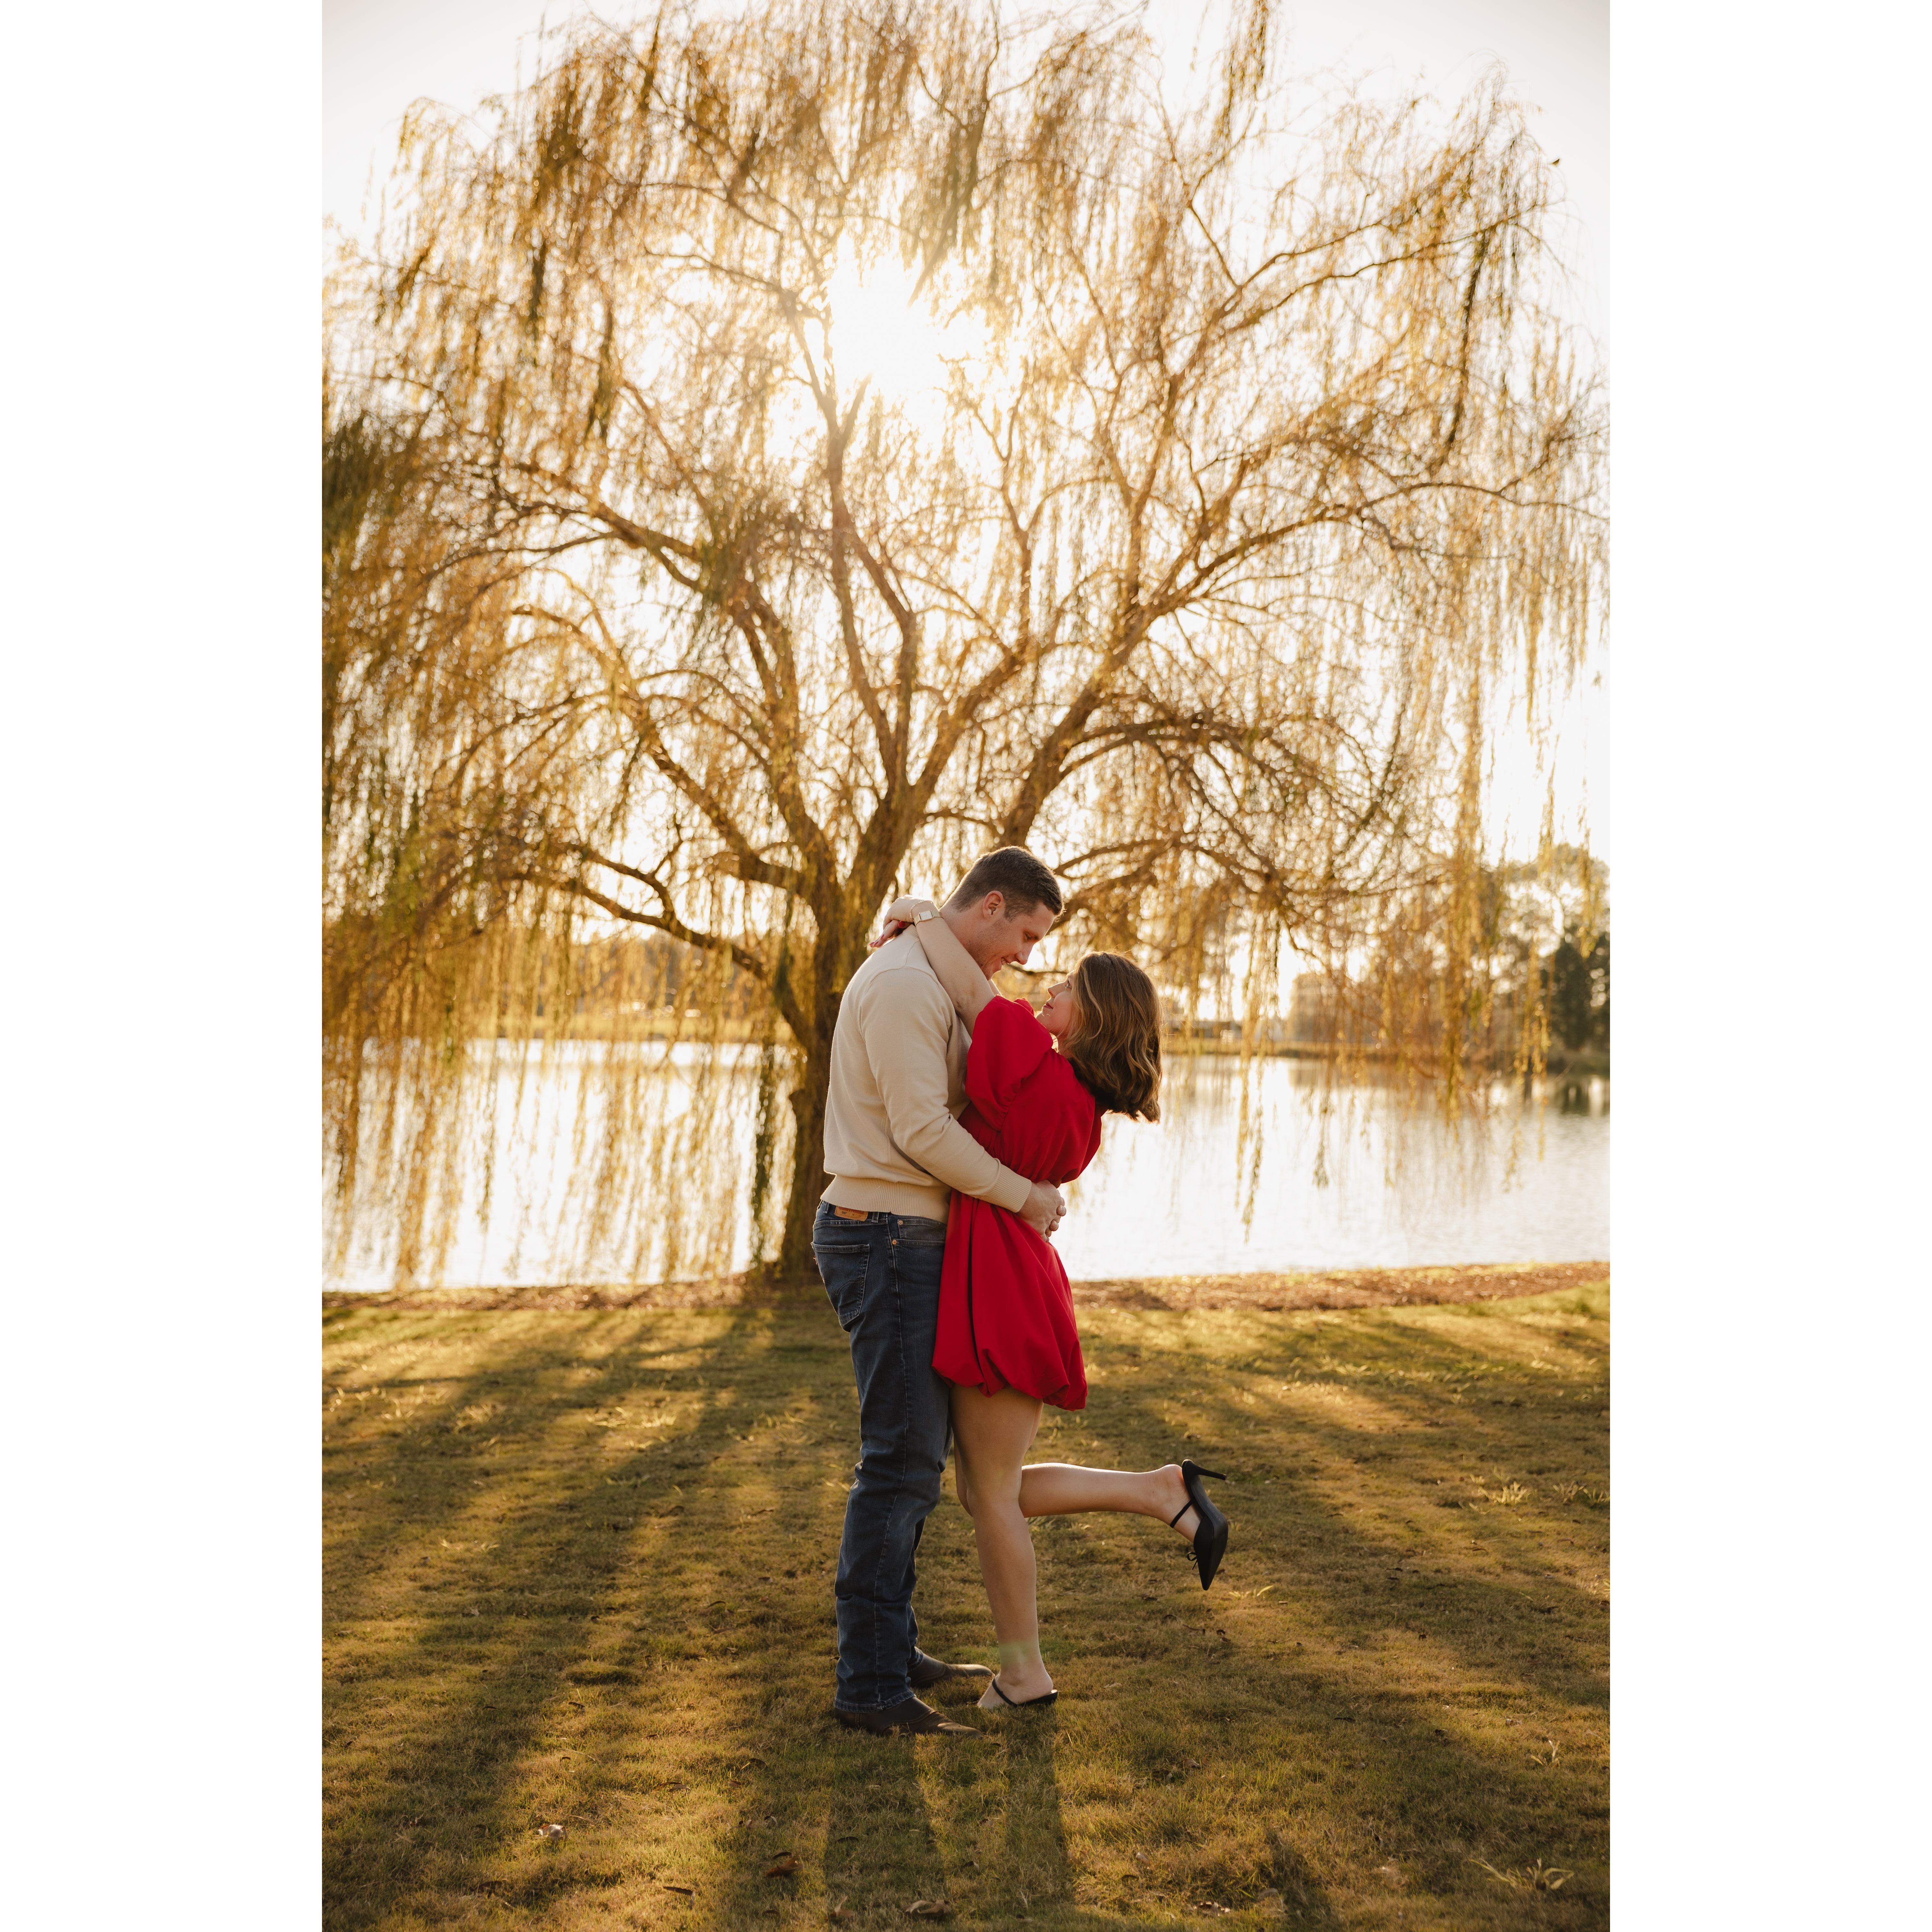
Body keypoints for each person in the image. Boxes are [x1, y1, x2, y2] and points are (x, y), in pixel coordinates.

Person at [876, 889, 1232, 1716]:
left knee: (991, 1497)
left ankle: (1025, 1672)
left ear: (1092, 1018)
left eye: (1066, 986)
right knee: (987, 1491)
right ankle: (1161, 1492)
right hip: (1006, 1279)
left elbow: (974, 997)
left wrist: (925, 917)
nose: (1046, 986)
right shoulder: (1070, 1095)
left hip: (1000, 1287)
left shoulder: (1043, 1080)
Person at [812, 847, 1072, 1738]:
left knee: (913, 1464)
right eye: (1026, 935)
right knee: (899, 1464)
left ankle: (893, 1649)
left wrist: (921, 912)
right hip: (883, 1237)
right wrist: (1024, 1195)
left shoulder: (930, 966)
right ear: (992, 906)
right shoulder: (902, 986)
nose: (1026, 958)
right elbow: (924, 1130)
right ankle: (870, 1684)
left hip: (908, 1236)